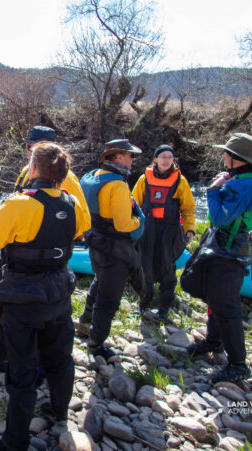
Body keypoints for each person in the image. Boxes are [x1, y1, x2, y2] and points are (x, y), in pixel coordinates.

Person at [0, 142, 89, 451]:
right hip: (58, 294)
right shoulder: (72, 202)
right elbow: (83, 228)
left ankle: (14, 441)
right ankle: (59, 412)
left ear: (35, 169)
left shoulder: (19, 203)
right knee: (60, 358)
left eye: (30, 162)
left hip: (21, 298)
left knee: (23, 370)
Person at [0, 125, 90, 373]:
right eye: (28, 146)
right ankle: (4, 357)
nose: (28, 151)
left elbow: (83, 222)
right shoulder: (26, 173)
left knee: (37, 310)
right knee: (1, 299)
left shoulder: (67, 179)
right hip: (16, 256)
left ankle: (31, 365)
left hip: (45, 261)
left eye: (32, 146)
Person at [182, 133, 252, 383]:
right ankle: (214, 342)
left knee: (227, 306)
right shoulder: (248, 180)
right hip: (229, 247)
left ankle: (238, 364)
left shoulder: (244, 185)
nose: (223, 156)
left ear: (234, 158)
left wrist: (212, 190)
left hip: (229, 251)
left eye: (226, 153)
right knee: (215, 298)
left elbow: (219, 218)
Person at [77, 139, 145, 359]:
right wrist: (140, 220)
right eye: (130, 155)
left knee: (99, 280)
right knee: (109, 299)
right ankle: (96, 346)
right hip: (114, 247)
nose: (133, 159)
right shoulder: (118, 185)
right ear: (117, 157)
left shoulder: (91, 176)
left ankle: (84, 323)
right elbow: (123, 225)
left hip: (95, 241)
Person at [132, 144, 196, 321]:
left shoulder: (180, 181)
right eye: (163, 157)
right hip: (148, 230)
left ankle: (164, 307)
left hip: (169, 230)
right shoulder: (144, 179)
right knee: (145, 266)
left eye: (170, 157)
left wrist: (190, 229)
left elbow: (188, 208)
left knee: (167, 267)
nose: (167, 160)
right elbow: (133, 204)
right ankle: (144, 304)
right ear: (155, 159)